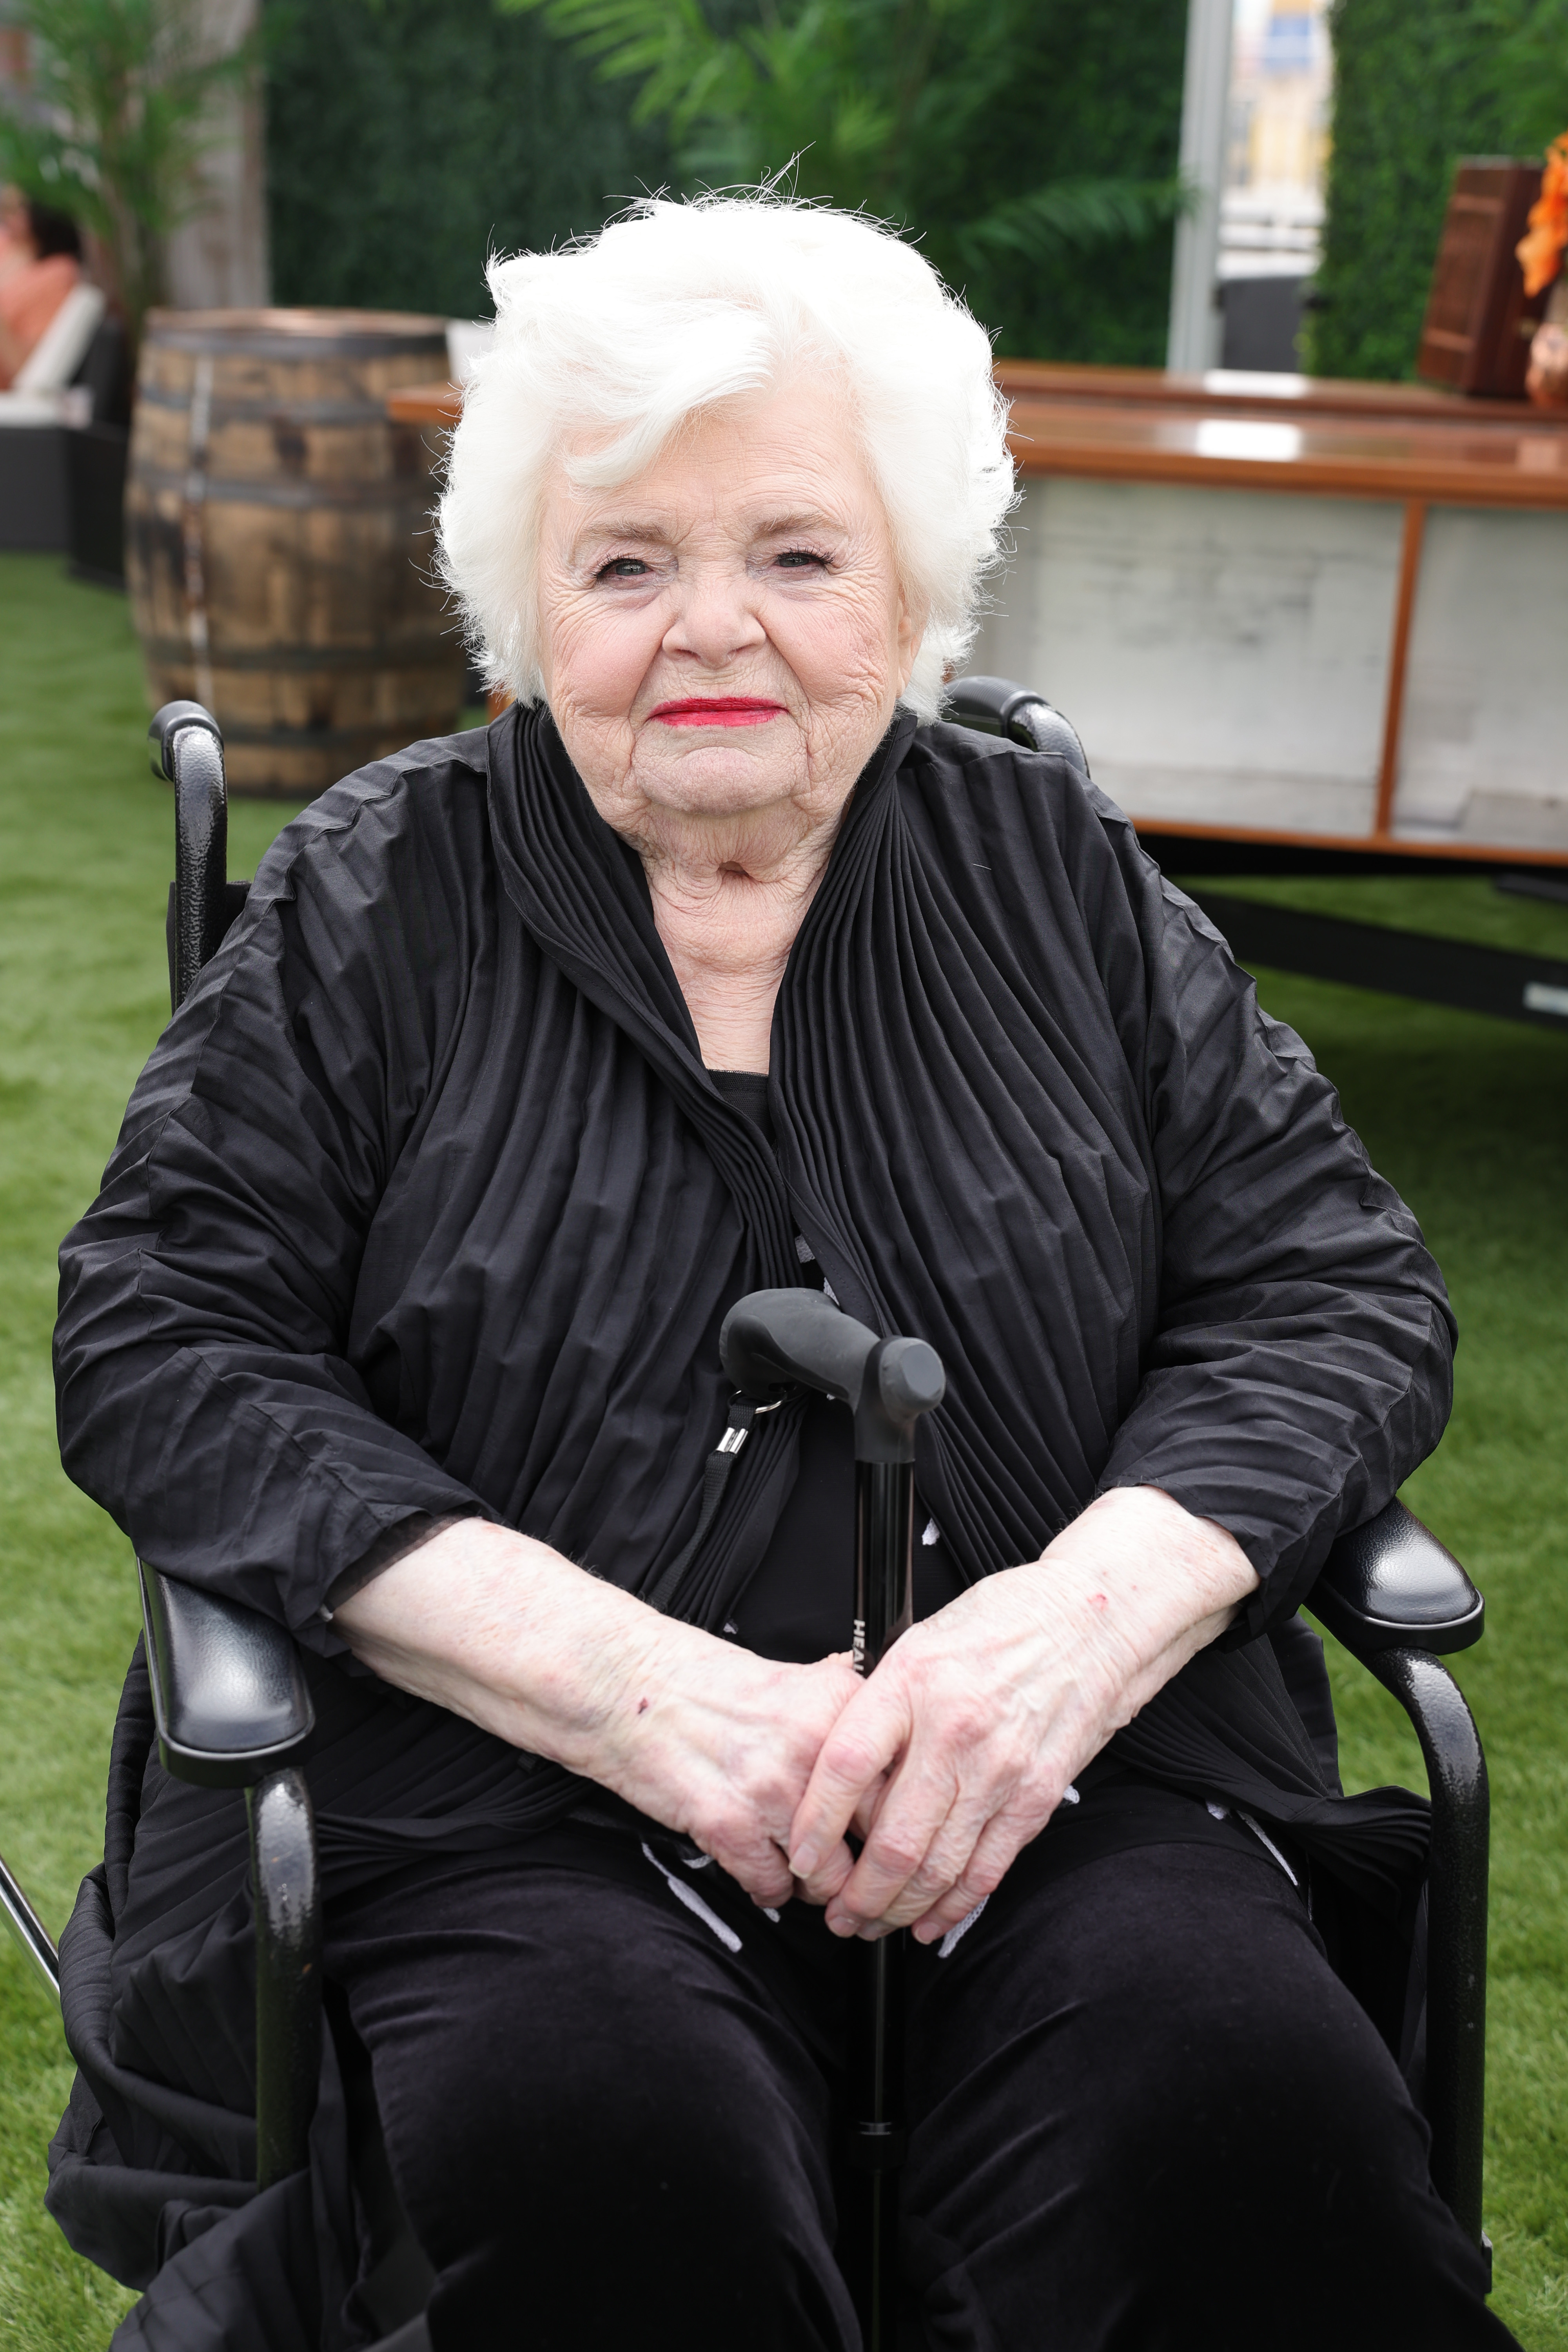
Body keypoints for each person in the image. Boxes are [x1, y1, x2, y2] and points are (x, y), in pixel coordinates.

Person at [49, 193, 1513, 2352]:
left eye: (796, 554)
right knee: (608, 2173)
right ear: (528, 610)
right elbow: (163, 1326)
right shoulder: (386, 888)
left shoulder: (1047, 865)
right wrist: (649, 1697)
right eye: (626, 561)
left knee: (1245, 2129)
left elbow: (1332, 1282)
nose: (709, 625)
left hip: (1066, 1787)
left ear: (907, 584)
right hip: (503, 1814)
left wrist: (1058, 1637)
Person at [0, 187, 82, 387]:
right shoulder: (8, 245)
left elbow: (23, 368)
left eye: (18, 208)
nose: (7, 215)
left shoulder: (59, 274)